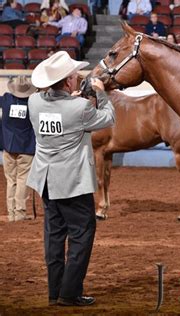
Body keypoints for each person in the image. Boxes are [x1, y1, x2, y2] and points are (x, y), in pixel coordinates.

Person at [27, 51, 115, 306]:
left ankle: (55, 291)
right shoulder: (79, 108)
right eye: (74, 76)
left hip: (45, 179)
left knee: (54, 236)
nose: (77, 78)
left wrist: (70, 100)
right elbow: (109, 118)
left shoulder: (35, 102)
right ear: (67, 82)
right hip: (72, 183)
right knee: (81, 235)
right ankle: (69, 292)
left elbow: (55, 107)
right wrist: (100, 92)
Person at [1, 76, 36, 222]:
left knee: (11, 180)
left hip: (8, 146)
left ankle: (11, 213)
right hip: (26, 147)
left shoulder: (6, 99)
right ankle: (20, 212)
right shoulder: (32, 104)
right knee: (22, 179)